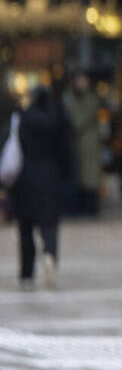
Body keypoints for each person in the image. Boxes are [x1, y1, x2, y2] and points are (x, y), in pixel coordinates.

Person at [13, 86, 72, 290]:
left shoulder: (24, 118)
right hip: (50, 177)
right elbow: (66, 150)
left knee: (26, 229)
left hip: (26, 177)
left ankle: (27, 272)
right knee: (50, 225)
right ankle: (49, 254)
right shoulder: (57, 119)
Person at [61, 71, 103, 216]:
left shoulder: (90, 99)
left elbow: (78, 119)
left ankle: (91, 207)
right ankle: (82, 207)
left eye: (82, 80)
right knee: (81, 178)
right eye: (78, 80)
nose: (80, 83)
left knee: (90, 178)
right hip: (78, 145)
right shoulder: (73, 97)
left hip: (89, 145)